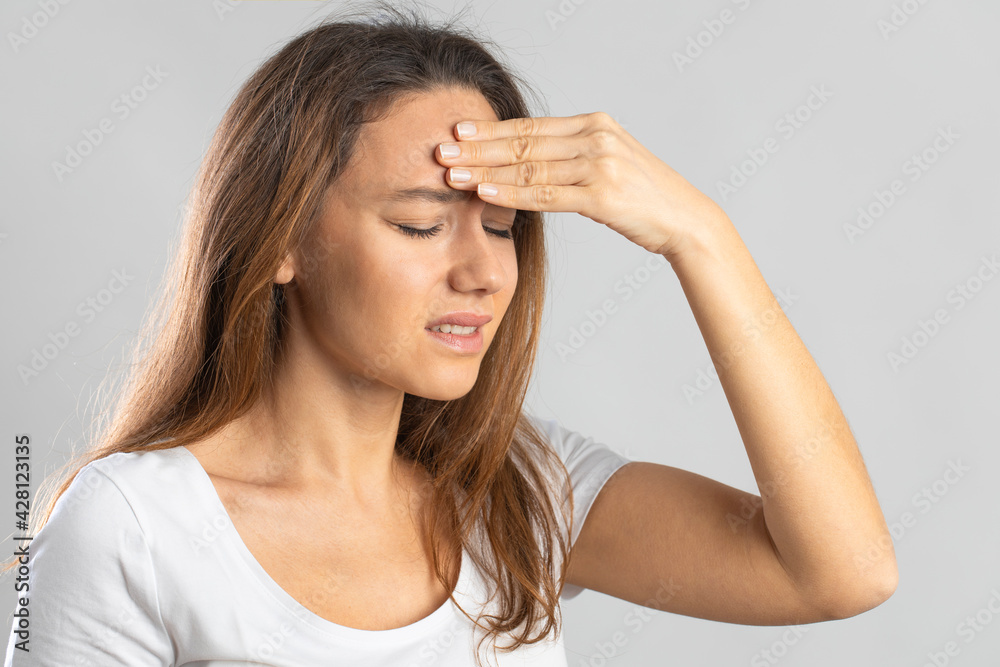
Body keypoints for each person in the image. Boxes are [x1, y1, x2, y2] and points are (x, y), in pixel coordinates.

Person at [1, 3, 898, 666]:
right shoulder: (130, 529)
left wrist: (700, 235)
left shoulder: (519, 489)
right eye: (421, 225)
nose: (485, 272)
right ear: (279, 242)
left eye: (501, 227)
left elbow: (842, 571)